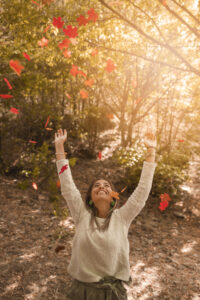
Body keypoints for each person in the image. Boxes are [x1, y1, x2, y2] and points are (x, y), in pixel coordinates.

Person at [54, 128, 157, 300]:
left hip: (113, 294)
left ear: (113, 197)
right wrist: (59, 148)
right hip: (81, 292)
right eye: (96, 185)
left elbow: (143, 190)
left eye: (106, 185)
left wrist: (151, 151)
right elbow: (67, 185)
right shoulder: (82, 214)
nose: (102, 186)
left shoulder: (122, 218)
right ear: (90, 198)